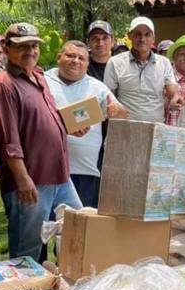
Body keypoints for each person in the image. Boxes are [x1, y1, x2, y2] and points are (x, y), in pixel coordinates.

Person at [0, 23, 82, 261]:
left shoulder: (39, 76)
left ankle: (62, 287)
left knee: (81, 231)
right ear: (6, 48)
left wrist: (69, 127)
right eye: (22, 47)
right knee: (26, 253)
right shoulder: (5, 84)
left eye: (33, 46)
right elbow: (8, 139)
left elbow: (42, 119)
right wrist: (22, 179)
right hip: (32, 180)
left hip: (60, 175)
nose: (30, 51)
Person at [45, 41, 127, 207]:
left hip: (85, 171)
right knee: (48, 226)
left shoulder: (98, 87)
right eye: (70, 55)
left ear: (87, 64)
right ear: (59, 57)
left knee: (79, 225)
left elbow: (123, 114)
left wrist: (117, 110)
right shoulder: (43, 82)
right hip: (48, 171)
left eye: (81, 58)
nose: (76, 61)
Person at [104, 16, 180, 123]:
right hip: (125, 128)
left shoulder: (164, 63)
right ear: (130, 36)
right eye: (138, 34)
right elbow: (108, 96)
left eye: (147, 34)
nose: (142, 39)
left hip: (156, 128)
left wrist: (175, 99)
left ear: (153, 38)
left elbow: (172, 92)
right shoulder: (115, 62)